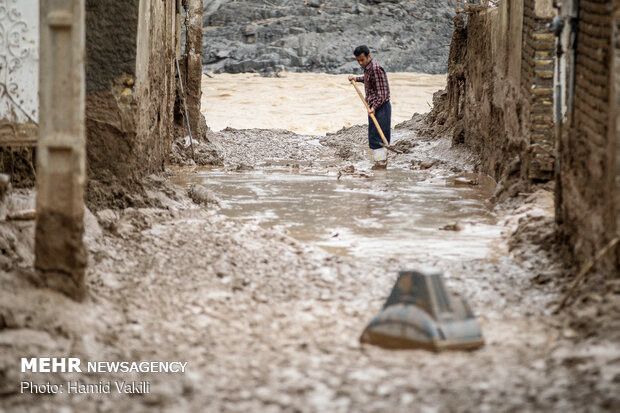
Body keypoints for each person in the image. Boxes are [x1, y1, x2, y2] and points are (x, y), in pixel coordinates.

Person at [348, 45, 391, 169]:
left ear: (369, 56)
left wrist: (374, 107)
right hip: (373, 106)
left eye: (362, 60)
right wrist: (356, 78)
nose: (360, 63)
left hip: (381, 106)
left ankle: (381, 164)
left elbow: (383, 94)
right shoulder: (368, 68)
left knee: (379, 137)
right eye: (358, 61)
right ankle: (379, 163)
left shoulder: (376, 68)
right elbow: (369, 80)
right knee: (374, 136)